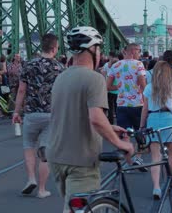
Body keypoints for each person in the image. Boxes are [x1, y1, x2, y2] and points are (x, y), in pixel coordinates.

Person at [46, 26, 134, 213]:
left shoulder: (61, 77)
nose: (100, 53)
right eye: (99, 48)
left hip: (57, 157)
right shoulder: (94, 79)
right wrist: (121, 143)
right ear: (92, 50)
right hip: (81, 161)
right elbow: (95, 118)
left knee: (72, 208)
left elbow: (69, 115)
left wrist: (109, 127)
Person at [12, 33, 64, 199]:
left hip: (31, 113)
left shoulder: (28, 65)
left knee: (28, 146)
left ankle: (31, 179)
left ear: (41, 46)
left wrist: (16, 111)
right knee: (45, 152)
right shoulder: (60, 68)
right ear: (55, 48)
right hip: (51, 114)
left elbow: (21, 90)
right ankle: (42, 189)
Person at [140, 61, 172, 199]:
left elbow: (145, 109)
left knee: (155, 157)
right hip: (169, 120)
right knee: (170, 155)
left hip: (153, 119)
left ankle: (156, 187)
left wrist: (141, 126)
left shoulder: (149, 87)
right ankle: (170, 182)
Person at [107, 43, 146, 166]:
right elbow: (143, 84)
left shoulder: (116, 65)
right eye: (139, 51)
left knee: (125, 134)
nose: (140, 54)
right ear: (133, 52)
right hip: (137, 104)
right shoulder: (138, 64)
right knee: (140, 133)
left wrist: (119, 87)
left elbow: (107, 86)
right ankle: (138, 158)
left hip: (122, 104)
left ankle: (129, 162)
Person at [101, 52, 118, 124]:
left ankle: (111, 122)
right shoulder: (119, 68)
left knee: (110, 107)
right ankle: (118, 121)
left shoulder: (106, 65)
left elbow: (103, 75)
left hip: (109, 90)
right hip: (118, 90)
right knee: (117, 107)